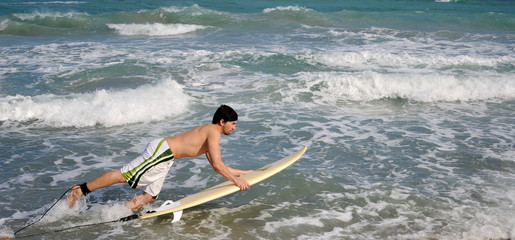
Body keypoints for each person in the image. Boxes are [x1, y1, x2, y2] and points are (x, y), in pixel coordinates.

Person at [66, 105, 253, 211]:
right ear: (222, 122)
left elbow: (216, 163)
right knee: (123, 175)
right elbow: (218, 166)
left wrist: (241, 173)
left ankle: (122, 211)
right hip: (161, 152)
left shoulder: (209, 133)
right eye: (233, 124)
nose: (234, 128)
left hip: (166, 157)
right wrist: (236, 181)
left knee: (151, 195)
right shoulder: (213, 131)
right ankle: (81, 190)